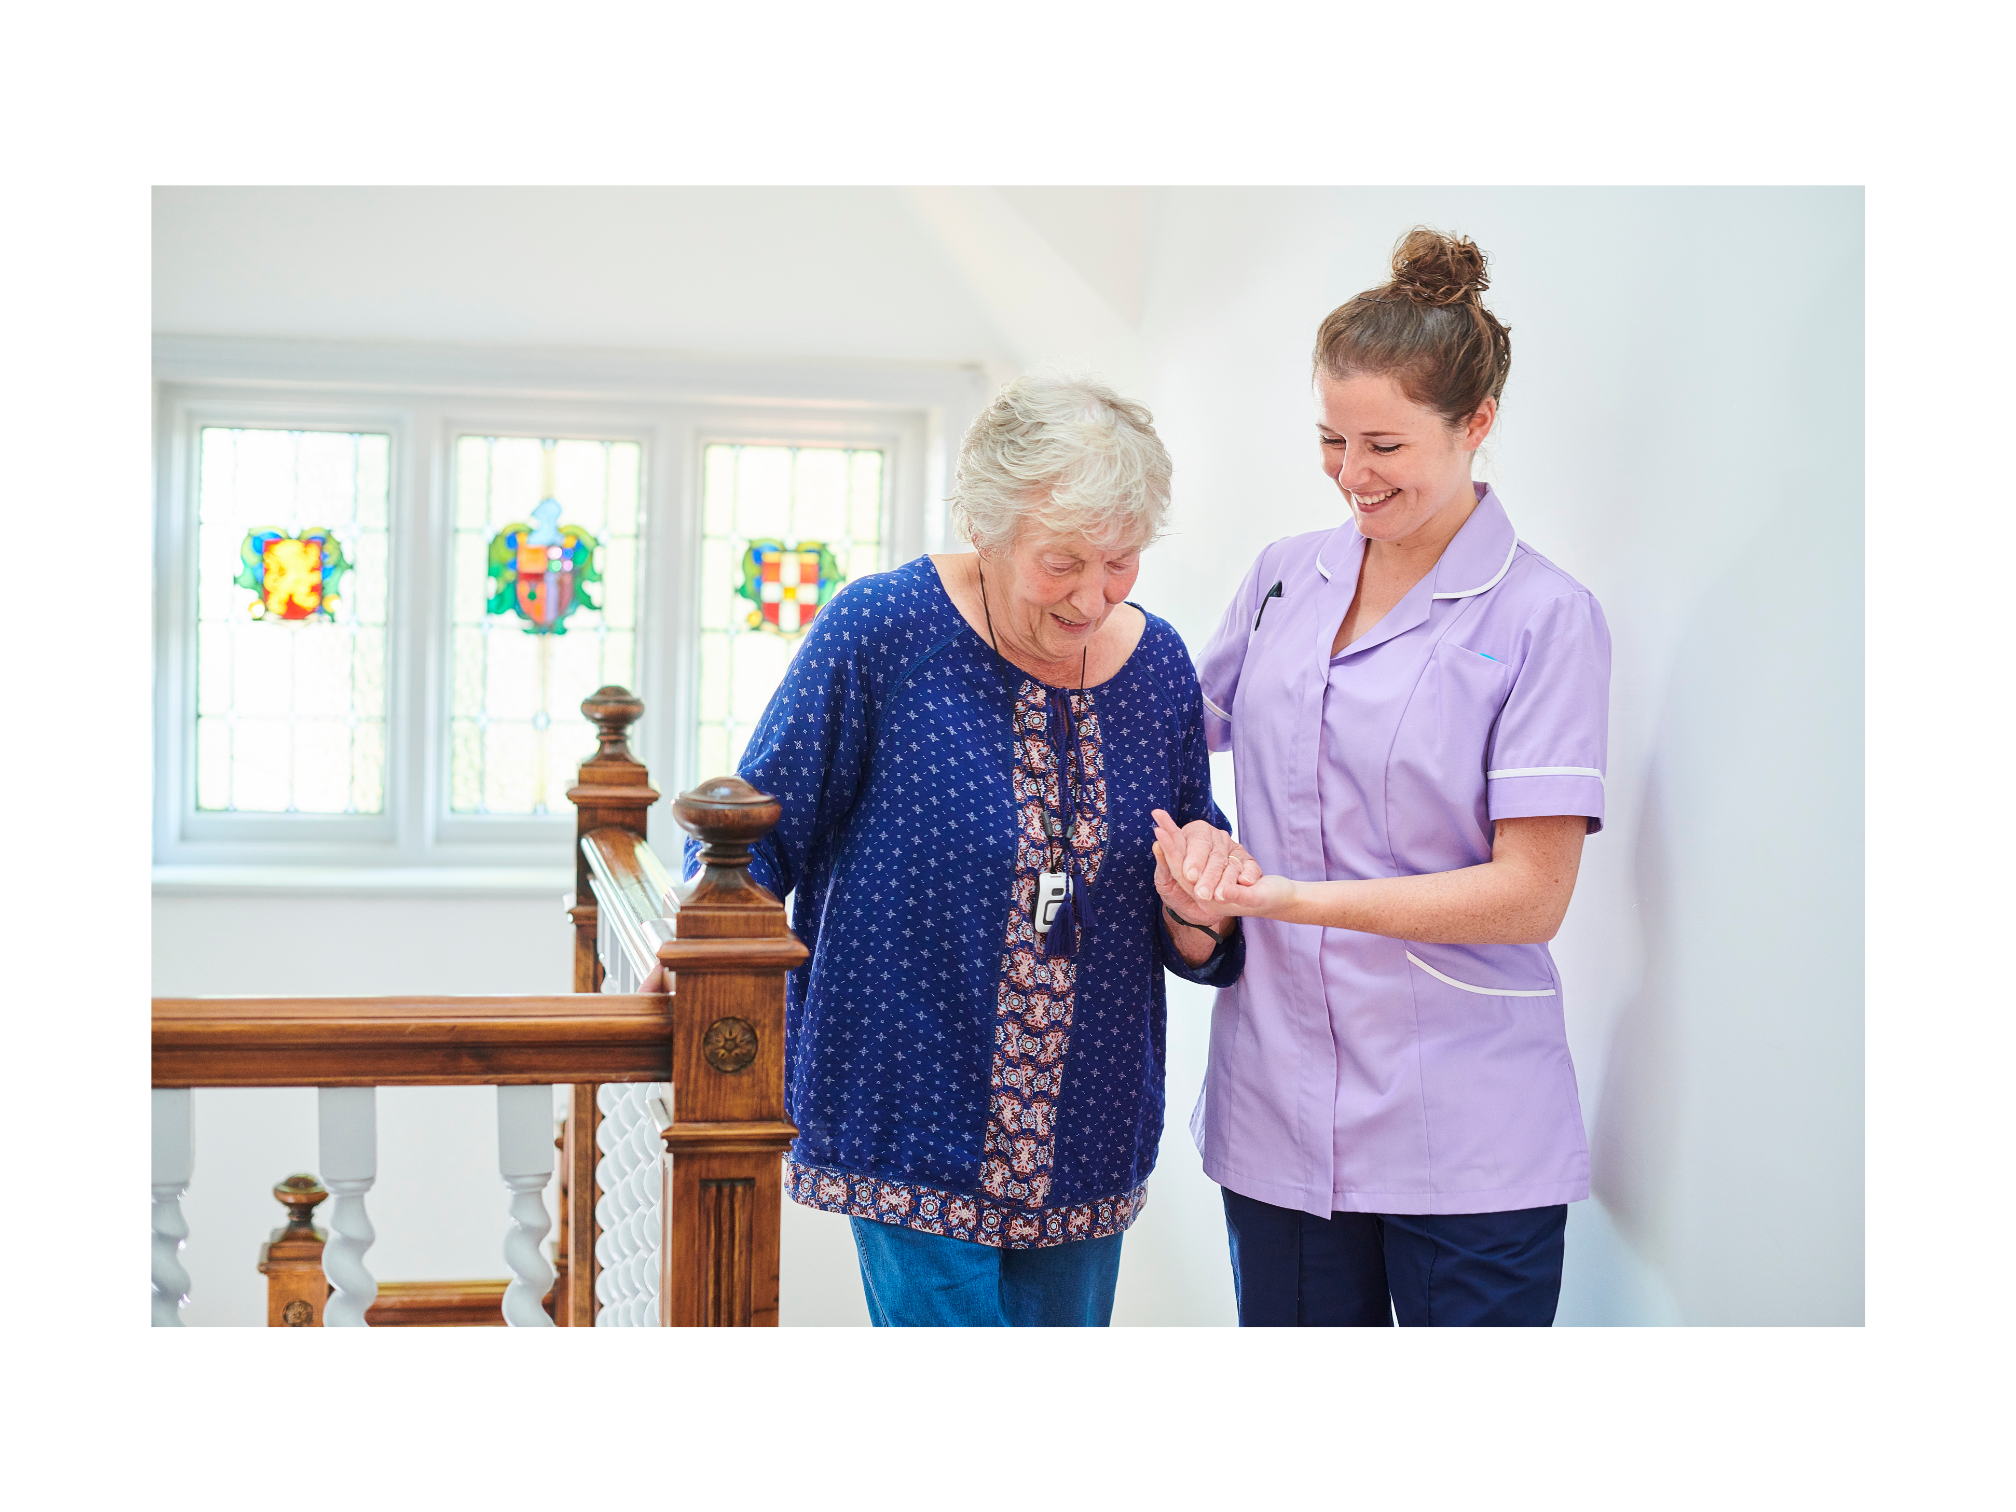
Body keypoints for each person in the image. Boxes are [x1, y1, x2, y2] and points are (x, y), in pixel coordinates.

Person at [678, 370, 1249, 1327]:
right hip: (907, 1098)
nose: (1093, 596)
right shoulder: (883, 630)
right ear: (986, 527)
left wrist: (1200, 906)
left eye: (1121, 560)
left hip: (1089, 1120)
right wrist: (697, 959)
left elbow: (1192, 890)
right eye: (1062, 560)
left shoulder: (1158, 667)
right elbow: (756, 838)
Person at [1154, 228, 1611, 1327]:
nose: (1352, 476)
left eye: (1385, 447)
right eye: (1330, 441)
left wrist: (1286, 900)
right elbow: (1163, 734)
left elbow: (1531, 895)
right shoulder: (1282, 581)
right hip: (1277, 1107)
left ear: (1477, 427)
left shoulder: (1545, 616)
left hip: (1466, 1127)